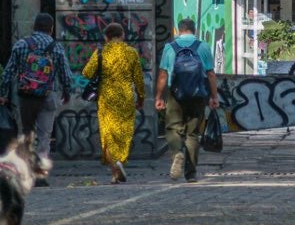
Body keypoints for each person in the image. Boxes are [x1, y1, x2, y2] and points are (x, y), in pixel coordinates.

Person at [2, 12, 70, 183]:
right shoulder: (56, 47)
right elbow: (65, 74)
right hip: (48, 95)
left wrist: (3, 94)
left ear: (34, 27)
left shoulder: (21, 45)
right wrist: (67, 91)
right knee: (44, 136)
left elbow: (8, 72)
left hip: (25, 96)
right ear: (51, 28)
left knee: (26, 133)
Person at [80, 22, 147, 183]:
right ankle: (118, 166)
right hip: (125, 98)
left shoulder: (101, 52)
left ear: (106, 37)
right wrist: (141, 98)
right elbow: (139, 79)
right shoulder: (131, 53)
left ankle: (115, 167)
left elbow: (87, 72)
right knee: (124, 134)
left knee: (108, 136)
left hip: (106, 99)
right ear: (122, 35)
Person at [155, 17, 219, 181]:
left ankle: (177, 153)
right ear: (194, 29)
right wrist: (214, 96)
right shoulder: (203, 46)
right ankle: (191, 174)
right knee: (193, 134)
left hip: (176, 94)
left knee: (172, 128)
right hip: (198, 95)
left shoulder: (170, 47)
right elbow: (211, 74)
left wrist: (159, 97)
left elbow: (163, 74)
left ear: (178, 29)